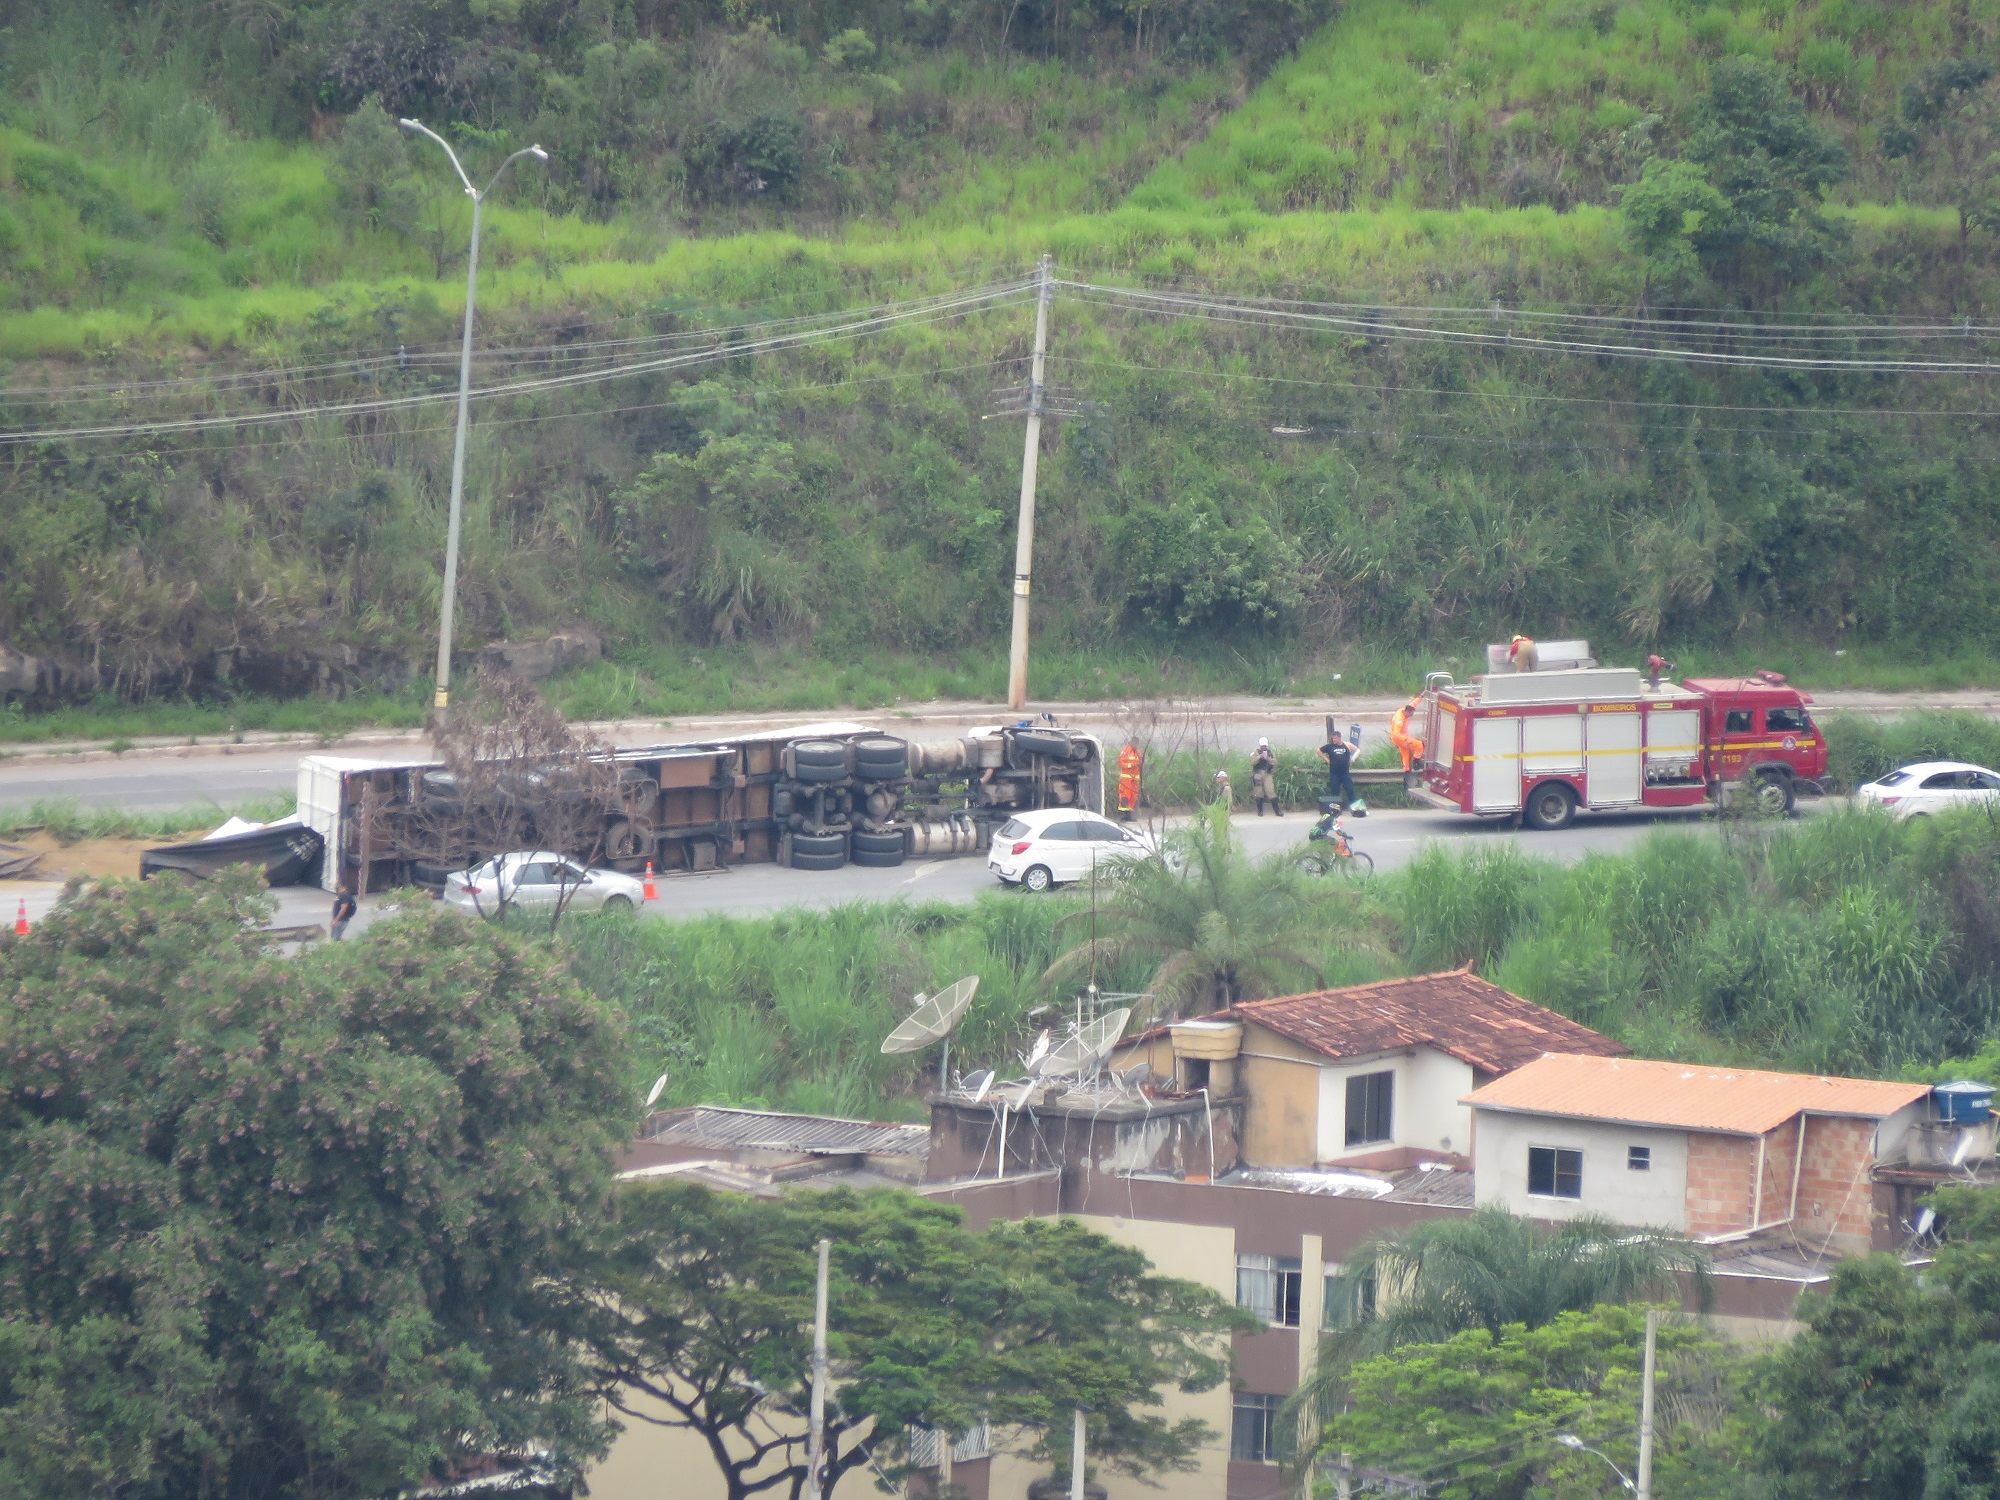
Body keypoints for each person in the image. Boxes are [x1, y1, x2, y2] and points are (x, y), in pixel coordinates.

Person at [1318, 729, 1357, 811]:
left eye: (1335, 738)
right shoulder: (1330, 746)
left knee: (1349, 789)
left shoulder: (1346, 745)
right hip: (1334, 773)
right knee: (1334, 791)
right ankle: (1335, 809)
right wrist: (1327, 760)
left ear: (1339, 738)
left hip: (1345, 773)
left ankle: (1355, 807)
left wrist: (1352, 759)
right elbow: (1318, 751)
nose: (1334, 740)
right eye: (1333, 738)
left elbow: (1357, 750)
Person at [1388, 695, 1425, 774]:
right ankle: (1416, 762)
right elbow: (1396, 733)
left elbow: (1413, 703)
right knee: (1419, 745)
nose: (1411, 716)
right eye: (1411, 714)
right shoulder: (1400, 720)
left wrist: (1421, 696)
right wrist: (1405, 740)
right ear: (1407, 712)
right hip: (1399, 738)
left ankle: (1406, 769)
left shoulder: (1403, 710)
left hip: (1398, 738)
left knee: (1405, 752)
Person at [1250, 737, 1280, 817]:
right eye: (1263, 746)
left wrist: (1268, 758)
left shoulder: (1270, 753)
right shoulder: (1255, 753)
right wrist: (1259, 757)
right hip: (1258, 774)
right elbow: (1252, 762)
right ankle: (1260, 811)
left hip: (1267, 773)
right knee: (1258, 792)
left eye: (1265, 746)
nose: (1264, 747)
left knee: (1270, 790)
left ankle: (1277, 811)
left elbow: (1275, 761)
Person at [1117, 742, 1143, 820]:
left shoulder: (1138, 752)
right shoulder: (1125, 752)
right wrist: (1131, 765)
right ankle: (1124, 816)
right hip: (1126, 780)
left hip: (1135, 780)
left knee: (1133, 797)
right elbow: (1121, 763)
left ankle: (1129, 816)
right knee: (1125, 797)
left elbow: (1140, 763)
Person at [330, 876, 357, 942]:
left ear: (340, 884)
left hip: (341, 920)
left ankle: (345, 948)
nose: (335, 885)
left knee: (336, 939)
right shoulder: (340, 895)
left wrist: (336, 920)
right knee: (335, 938)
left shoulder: (345, 895)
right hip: (338, 920)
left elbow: (343, 909)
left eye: (336, 883)